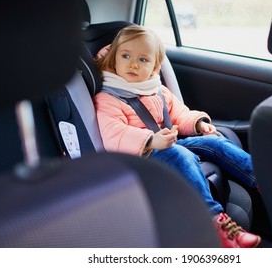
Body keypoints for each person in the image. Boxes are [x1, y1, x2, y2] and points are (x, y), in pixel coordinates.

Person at [93, 25, 261, 248]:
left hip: (169, 143)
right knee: (180, 153)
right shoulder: (108, 98)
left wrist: (198, 124)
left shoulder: (156, 90)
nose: (133, 64)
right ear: (114, 59)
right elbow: (113, 134)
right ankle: (215, 222)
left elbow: (179, 113)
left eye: (143, 60)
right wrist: (151, 141)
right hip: (141, 159)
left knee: (216, 142)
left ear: (154, 66)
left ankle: (264, 181)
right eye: (126, 56)